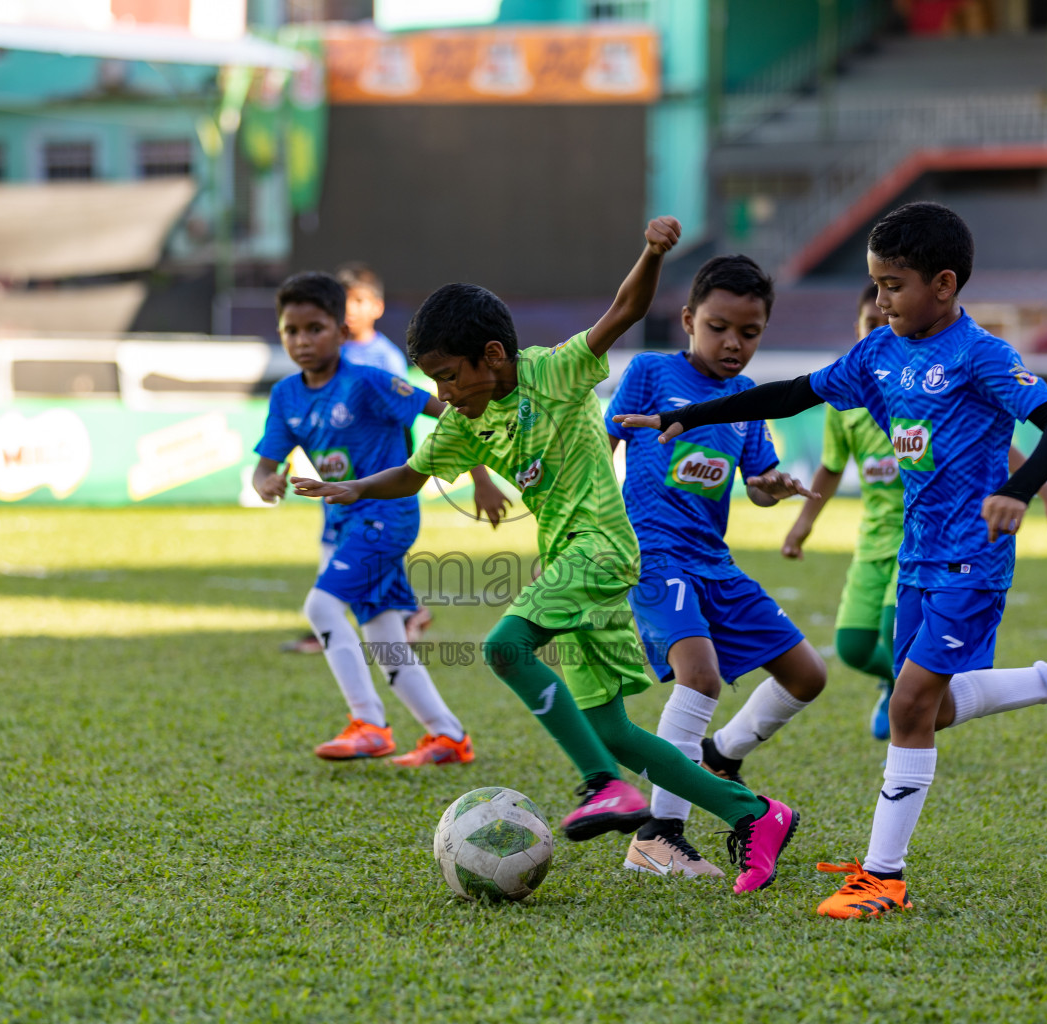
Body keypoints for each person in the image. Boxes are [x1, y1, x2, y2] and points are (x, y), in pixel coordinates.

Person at [613, 202, 1047, 917]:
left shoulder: (983, 356)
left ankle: (884, 875)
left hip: (973, 558)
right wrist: (688, 415)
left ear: (943, 283)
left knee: (907, 705)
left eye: (893, 285)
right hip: (914, 559)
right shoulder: (879, 353)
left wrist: (1020, 491)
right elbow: (790, 394)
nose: (880, 301)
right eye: (874, 285)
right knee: (927, 713)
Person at [293, 218, 802, 896]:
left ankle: (602, 787)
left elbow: (622, 311)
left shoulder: (555, 372)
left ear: (494, 356)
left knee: (504, 648)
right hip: (571, 561)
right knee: (617, 732)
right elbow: (414, 474)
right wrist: (353, 486)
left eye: (449, 377)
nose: (443, 394)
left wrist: (651, 252)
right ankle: (754, 812)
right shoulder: (464, 421)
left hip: (603, 548)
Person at [605, 254, 826, 879]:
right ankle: (658, 835)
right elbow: (607, 441)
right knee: (697, 677)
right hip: (653, 553)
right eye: (719, 327)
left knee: (807, 675)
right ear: (687, 320)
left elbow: (754, 483)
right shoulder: (649, 372)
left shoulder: (749, 401)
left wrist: (771, 486)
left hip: (714, 563)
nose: (733, 343)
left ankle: (720, 754)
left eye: (749, 333)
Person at [781, 284, 1047, 742]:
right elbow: (830, 466)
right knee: (855, 648)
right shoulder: (852, 400)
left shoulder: (951, 372)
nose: (883, 318)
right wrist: (803, 523)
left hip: (954, 545)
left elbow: (1008, 447)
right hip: (882, 543)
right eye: (870, 320)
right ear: (857, 328)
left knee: (910, 696)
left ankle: (905, 694)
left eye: (892, 294)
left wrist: (1041, 495)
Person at [252, 272, 507, 766]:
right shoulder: (286, 395)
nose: (302, 341)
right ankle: (447, 736)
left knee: (322, 608)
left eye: (315, 328)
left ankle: (368, 722)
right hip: (341, 524)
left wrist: (481, 477)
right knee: (386, 638)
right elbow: (265, 466)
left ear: (342, 332)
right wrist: (268, 483)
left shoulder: (369, 382)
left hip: (386, 515)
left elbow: (450, 412)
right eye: (291, 330)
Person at [282, 263, 425, 654]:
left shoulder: (383, 360)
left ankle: (331, 618)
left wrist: (407, 468)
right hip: (339, 478)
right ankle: (401, 612)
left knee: (365, 547)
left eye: (360, 301)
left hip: (379, 481)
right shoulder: (327, 358)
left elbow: (410, 412)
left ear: (377, 306)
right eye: (346, 302)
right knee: (337, 541)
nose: (352, 309)